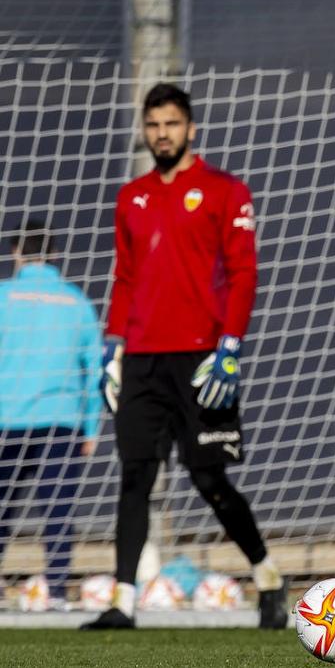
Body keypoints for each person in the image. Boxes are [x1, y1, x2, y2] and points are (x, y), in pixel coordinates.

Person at [81, 83, 286, 630]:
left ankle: (267, 577)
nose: (161, 134)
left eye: (171, 124)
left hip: (201, 359)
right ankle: (122, 602)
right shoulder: (132, 196)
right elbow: (124, 277)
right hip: (143, 358)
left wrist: (230, 345)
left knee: (208, 478)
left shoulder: (224, 190)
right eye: (152, 125)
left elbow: (244, 272)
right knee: (135, 476)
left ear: (190, 128)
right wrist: (112, 344)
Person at [0, 220, 102, 610]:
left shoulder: (4, 296)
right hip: (61, 422)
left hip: (7, 420)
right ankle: (57, 592)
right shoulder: (76, 302)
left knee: (2, 508)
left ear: (15, 253)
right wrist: (91, 426)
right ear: (55, 254)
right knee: (58, 511)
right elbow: (95, 371)